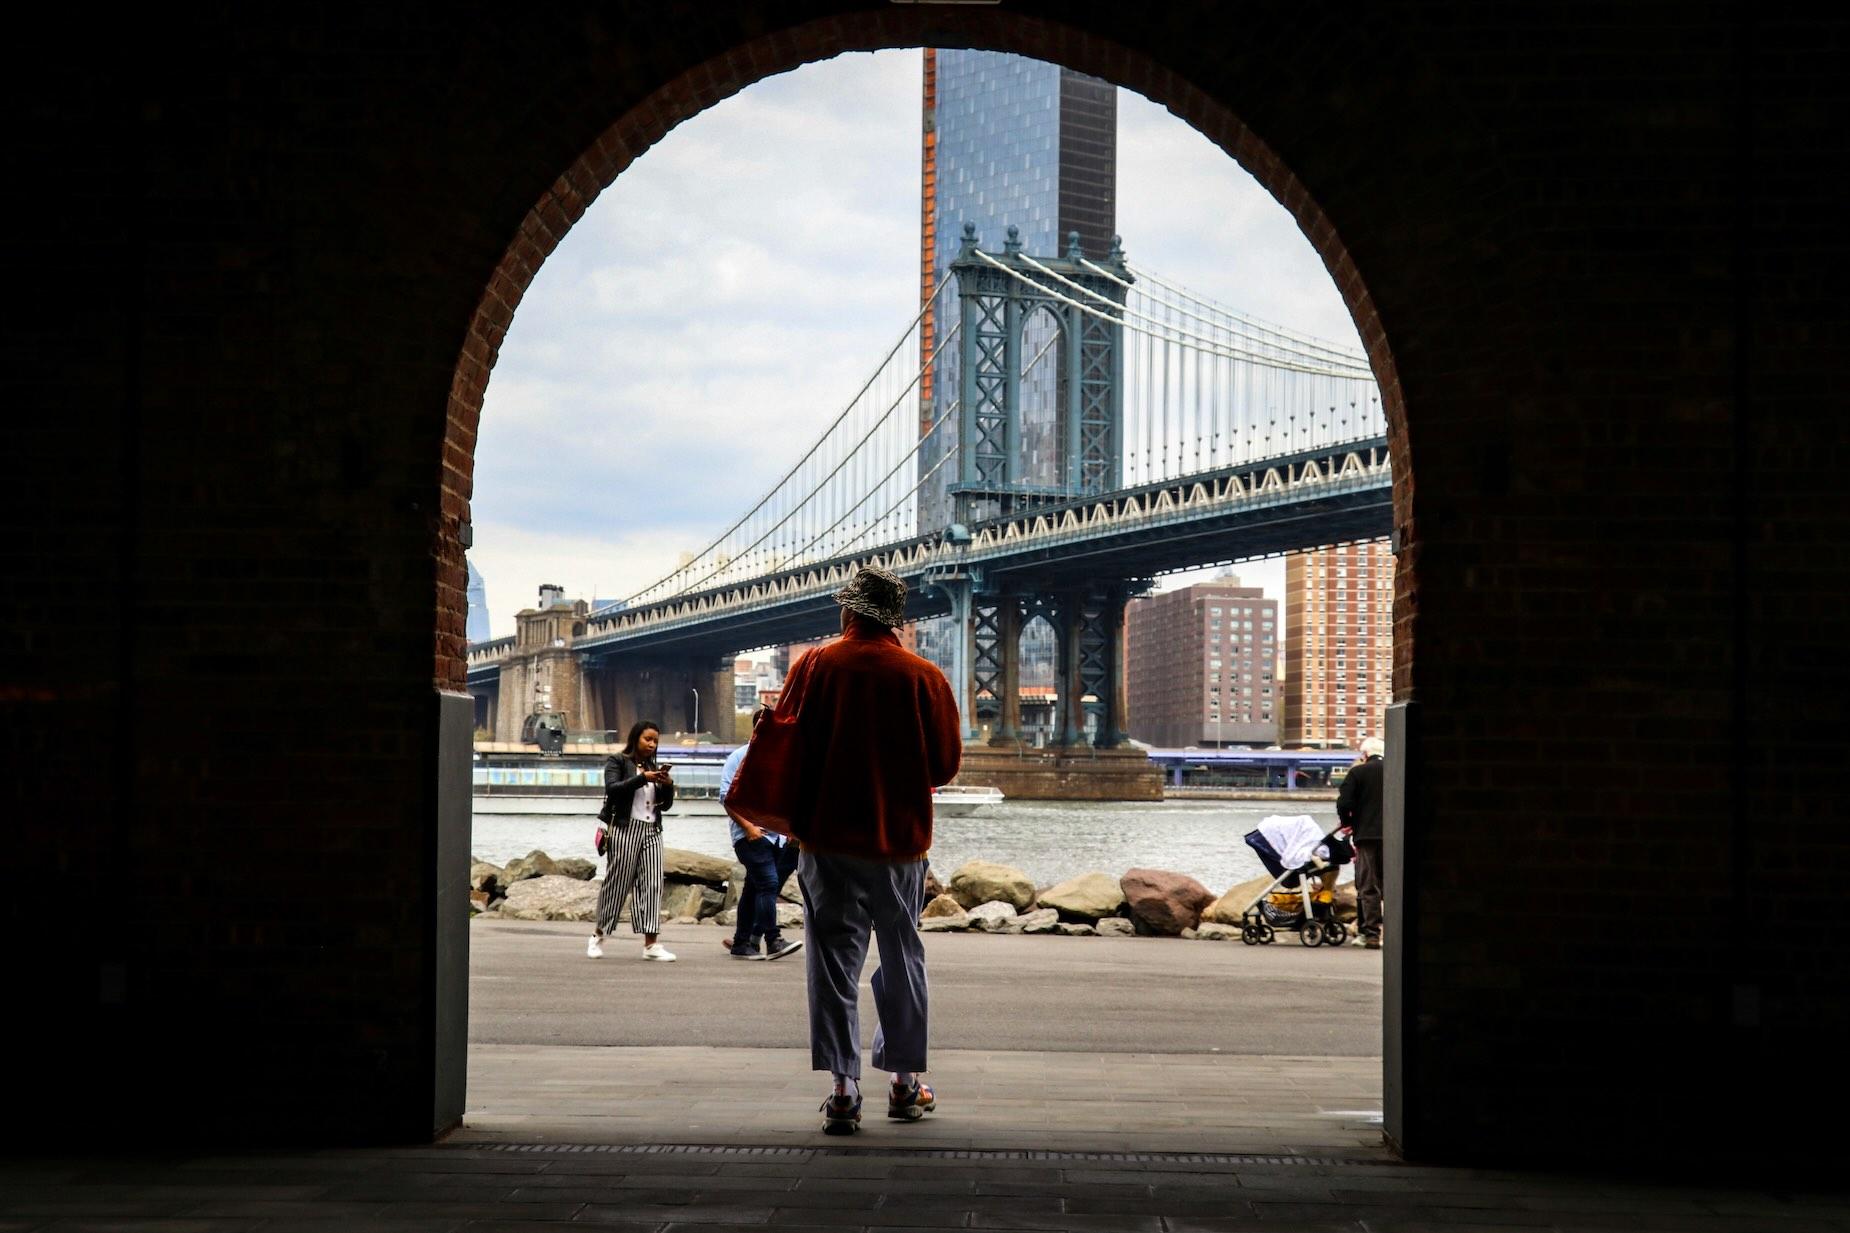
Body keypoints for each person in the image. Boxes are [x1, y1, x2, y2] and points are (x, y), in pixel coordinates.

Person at [773, 565, 961, 1135]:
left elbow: (785, 741)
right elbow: (945, 766)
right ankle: (905, 1084)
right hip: (899, 843)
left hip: (826, 841)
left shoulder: (814, 666)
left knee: (832, 963)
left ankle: (844, 1090)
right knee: (903, 956)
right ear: (894, 620)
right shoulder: (924, 676)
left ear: (849, 613)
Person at [588, 719, 677, 962]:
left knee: (652, 884)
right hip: (625, 829)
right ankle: (597, 935)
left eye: (655, 741)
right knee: (618, 883)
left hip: (652, 830)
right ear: (635, 738)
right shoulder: (618, 761)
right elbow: (613, 789)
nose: (652, 744)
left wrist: (667, 785)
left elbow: (666, 806)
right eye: (647, 739)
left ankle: (651, 944)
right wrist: (642, 778)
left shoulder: (653, 766)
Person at [720, 706, 803, 961]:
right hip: (751, 837)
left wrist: (790, 830)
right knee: (768, 884)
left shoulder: (781, 759)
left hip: (777, 837)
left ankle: (742, 943)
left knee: (753, 889)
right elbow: (726, 797)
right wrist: (749, 828)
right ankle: (773, 940)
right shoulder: (739, 757)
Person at [1337, 734, 1386, 949]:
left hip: (1366, 836)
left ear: (1365, 755)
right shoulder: (1397, 770)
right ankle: (1395, 934)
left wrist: (1348, 822)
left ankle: (1371, 934)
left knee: (1368, 887)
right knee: (1393, 886)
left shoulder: (1358, 772)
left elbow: (1344, 802)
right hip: (1395, 837)